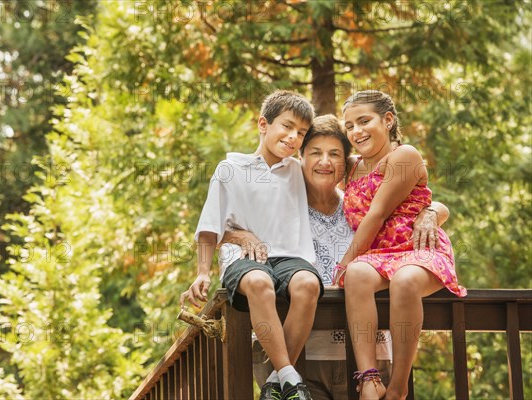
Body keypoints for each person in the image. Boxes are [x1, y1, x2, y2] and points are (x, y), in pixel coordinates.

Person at [225, 115, 448, 399]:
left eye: (335, 155)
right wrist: (238, 237)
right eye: (315, 153)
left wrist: (432, 212)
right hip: (298, 359)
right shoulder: (279, 207)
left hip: (367, 361)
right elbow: (222, 227)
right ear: (299, 159)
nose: (325, 162)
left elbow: (413, 200)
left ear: (347, 164)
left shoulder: (360, 209)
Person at [180, 90, 323, 400]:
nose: (293, 137)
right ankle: (292, 381)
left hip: (291, 258)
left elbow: (341, 167)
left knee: (308, 285)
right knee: (259, 282)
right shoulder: (231, 168)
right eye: (286, 126)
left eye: (301, 133)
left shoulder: (300, 171)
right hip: (243, 260)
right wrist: (203, 273)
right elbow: (210, 227)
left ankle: (276, 381)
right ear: (263, 124)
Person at [335, 90, 467, 400]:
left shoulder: (404, 155)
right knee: (356, 276)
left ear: (388, 120)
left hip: (418, 251)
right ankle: (368, 378)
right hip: (378, 256)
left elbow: (377, 215)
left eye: (364, 121)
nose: (356, 131)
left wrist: (342, 262)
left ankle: (397, 386)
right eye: (350, 125)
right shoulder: (352, 167)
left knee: (405, 281)